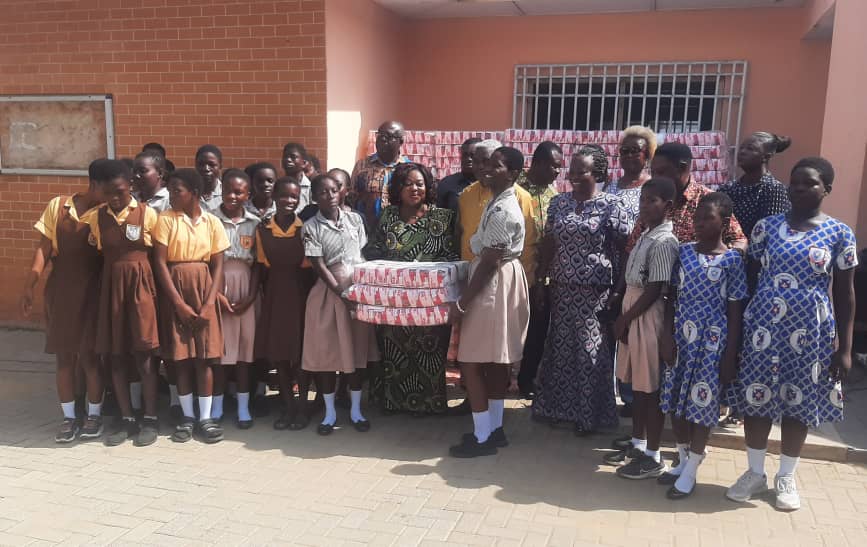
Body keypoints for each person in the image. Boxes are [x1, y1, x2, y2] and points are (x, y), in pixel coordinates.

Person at [726, 157, 857, 511]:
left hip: (811, 333)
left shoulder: (840, 234)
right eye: (795, 182)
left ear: (826, 189)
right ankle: (755, 472)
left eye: (809, 183)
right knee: (756, 398)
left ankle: (786, 476)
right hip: (762, 329)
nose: (798, 188)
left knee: (799, 402)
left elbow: (845, 295)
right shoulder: (766, 228)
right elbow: (750, 279)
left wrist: (845, 348)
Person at [532, 145, 629, 433]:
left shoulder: (611, 206)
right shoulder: (559, 203)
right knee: (560, 350)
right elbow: (549, 243)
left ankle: (590, 416)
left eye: (581, 171)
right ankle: (558, 409)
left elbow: (626, 250)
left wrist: (618, 291)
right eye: (571, 170)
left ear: (597, 173)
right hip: (561, 289)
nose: (573, 175)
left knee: (590, 352)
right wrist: (541, 281)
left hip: (595, 292)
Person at [658, 193, 747, 498]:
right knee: (675, 402)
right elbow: (670, 298)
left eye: (707, 218)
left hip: (712, 343)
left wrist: (729, 355)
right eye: (697, 217)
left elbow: (735, 312)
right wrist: (666, 336)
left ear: (724, 223)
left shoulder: (733, 260)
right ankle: (683, 458)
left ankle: (693, 469)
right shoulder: (682, 252)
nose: (699, 223)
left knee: (701, 406)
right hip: (682, 337)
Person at [448, 147, 531, 458]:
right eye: (486, 163)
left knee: (471, 360)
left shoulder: (502, 210)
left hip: (493, 282)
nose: (487, 168)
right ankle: (494, 429)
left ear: (512, 174)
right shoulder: (498, 202)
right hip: (502, 279)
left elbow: (490, 259)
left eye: (496, 165)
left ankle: (482, 436)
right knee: (496, 360)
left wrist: (462, 304)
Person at [20, 159, 107, 442]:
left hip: (92, 292)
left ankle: (94, 415)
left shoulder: (106, 214)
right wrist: (29, 285)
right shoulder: (59, 207)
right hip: (61, 292)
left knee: (91, 358)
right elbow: (43, 250)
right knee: (64, 358)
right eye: (109, 189)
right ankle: (70, 418)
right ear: (95, 185)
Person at [367, 163, 460, 415]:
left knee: (429, 352)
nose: (414, 188)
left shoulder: (442, 217)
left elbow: (452, 256)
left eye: (420, 183)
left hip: (431, 301)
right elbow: (374, 250)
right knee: (393, 351)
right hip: (394, 301)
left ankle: (430, 405)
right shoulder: (388, 216)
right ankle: (393, 403)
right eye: (408, 183)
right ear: (398, 187)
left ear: (428, 187)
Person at [82, 160, 161, 447]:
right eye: (108, 193)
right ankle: (127, 417)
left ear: (131, 186)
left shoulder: (147, 214)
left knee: (145, 354)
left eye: (119, 191)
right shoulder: (96, 218)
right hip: (112, 288)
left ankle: (150, 417)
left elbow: (157, 257)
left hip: (141, 287)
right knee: (115, 355)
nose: (114, 198)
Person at [153, 168, 229, 444]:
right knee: (181, 359)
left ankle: (205, 418)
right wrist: (178, 304)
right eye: (170, 190)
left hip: (203, 288)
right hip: (176, 290)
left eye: (178, 190)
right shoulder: (165, 220)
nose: (172, 195)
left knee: (205, 358)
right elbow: (160, 263)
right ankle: (186, 416)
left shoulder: (212, 223)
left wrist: (209, 303)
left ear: (194, 194)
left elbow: (218, 264)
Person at [611, 177, 680, 479]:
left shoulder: (666, 240)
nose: (645, 207)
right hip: (632, 310)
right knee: (637, 387)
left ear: (668, 206)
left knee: (649, 388)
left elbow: (655, 289)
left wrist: (626, 319)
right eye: (642, 201)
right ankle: (639, 445)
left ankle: (654, 455)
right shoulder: (646, 234)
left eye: (652, 201)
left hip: (646, 315)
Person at [301, 174, 378, 435]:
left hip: (357, 291)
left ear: (341, 192)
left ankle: (356, 411)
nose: (330, 195)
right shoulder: (310, 226)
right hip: (329, 294)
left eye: (334, 190)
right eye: (323, 192)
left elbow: (362, 253)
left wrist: (356, 291)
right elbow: (318, 265)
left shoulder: (355, 219)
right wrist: (340, 292)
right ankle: (329, 412)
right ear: (314, 197)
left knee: (356, 353)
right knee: (328, 354)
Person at [255, 177, 313, 430]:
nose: (289, 201)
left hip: (300, 295)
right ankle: (287, 408)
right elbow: (262, 268)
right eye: (284, 196)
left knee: (299, 357)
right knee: (279, 357)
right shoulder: (263, 230)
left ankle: (302, 410)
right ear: (274, 197)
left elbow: (310, 271)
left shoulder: (306, 229)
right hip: (275, 296)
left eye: (294, 197)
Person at [625, 143, 748, 253]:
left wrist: (722, 260)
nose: (656, 179)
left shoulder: (709, 202)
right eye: (653, 173)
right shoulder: (652, 201)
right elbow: (631, 248)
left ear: (682, 168)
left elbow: (739, 240)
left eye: (661, 172)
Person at [214, 169, 261, 428]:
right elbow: (207, 261)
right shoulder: (211, 220)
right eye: (228, 190)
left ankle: (244, 408)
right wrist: (216, 293)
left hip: (245, 287)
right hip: (217, 285)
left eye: (239, 192)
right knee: (220, 351)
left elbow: (258, 266)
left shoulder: (254, 224)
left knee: (244, 351)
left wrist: (251, 296)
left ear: (247, 195)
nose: (233, 196)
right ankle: (218, 407)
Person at [517, 141, 563, 399]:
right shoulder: (516, 188)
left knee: (537, 329)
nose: (558, 172)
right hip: (516, 271)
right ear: (538, 163)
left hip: (543, 274)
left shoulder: (553, 195)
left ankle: (527, 380)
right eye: (555, 166)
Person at [719, 132, 792, 239]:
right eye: (741, 148)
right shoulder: (727, 188)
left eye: (750, 149)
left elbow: (769, 231)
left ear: (766, 157)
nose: (742, 152)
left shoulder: (773, 189)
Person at [348, 120, 410, 229]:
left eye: (389, 136)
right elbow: (351, 199)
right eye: (380, 135)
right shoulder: (362, 166)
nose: (383, 139)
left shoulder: (409, 169)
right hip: (367, 230)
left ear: (401, 141)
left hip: (399, 231)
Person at [436, 138, 481, 212]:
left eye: (473, 155)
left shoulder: (491, 185)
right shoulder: (447, 184)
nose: (468, 159)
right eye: (465, 155)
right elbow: (439, 218)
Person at [281, 142, 313, 211]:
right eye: (285, 156)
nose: (288, 160)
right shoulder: (278, 187)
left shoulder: (310, 189)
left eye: (293, 157)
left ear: (304, 163)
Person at [195, 144, 224, 213]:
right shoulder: (188, 193)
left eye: (211, 165)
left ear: (220, 167)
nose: (206, 169)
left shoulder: (226, 194)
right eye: (201, 164)